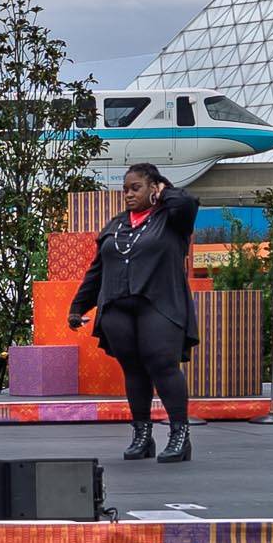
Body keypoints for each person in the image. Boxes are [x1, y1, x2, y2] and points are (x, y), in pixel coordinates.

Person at [68, 163, 201, 462]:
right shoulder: (116, 225)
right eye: (125, 189)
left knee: (163, 365)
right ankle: (142, 436)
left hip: (159, 303)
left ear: (153, 188)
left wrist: (163, 190)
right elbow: (97, 270)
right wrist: (78, 307)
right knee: (133, 369)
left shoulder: (172, 218)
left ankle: (180, 435)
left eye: (136, 188)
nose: (128, 194)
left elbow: (187, 202)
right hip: (118, 306)